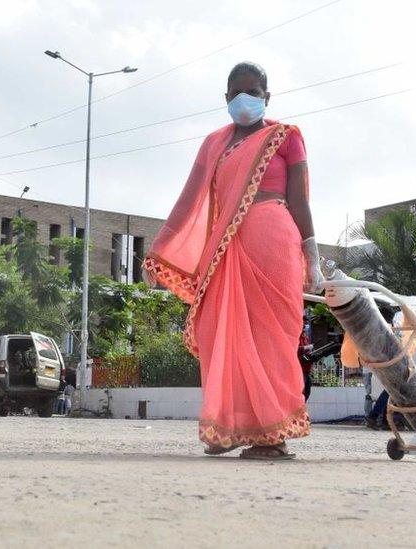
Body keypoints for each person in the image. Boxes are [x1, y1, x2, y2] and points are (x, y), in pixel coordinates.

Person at [144, 62, 323, 460]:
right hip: (225, 249)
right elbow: (188, 200)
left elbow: (300, 201)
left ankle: (270, 435)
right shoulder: (213, 144)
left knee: (269, 339)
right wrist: (158, 250)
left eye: (254, 92)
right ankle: (233, 427)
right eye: (237, 93)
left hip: (274, 242)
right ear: (226, 99)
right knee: (218, 334)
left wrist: (312, 257)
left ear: (266, 96)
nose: (246, 100)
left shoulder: (286, 137)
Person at [299, 329, 314, 402]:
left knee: (307, 392)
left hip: (306, 368)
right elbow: (295, 348)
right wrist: (305, 348)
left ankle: (301, 408)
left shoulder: (305, 337)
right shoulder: (296, 336)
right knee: (301, 391)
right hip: (299, 369)